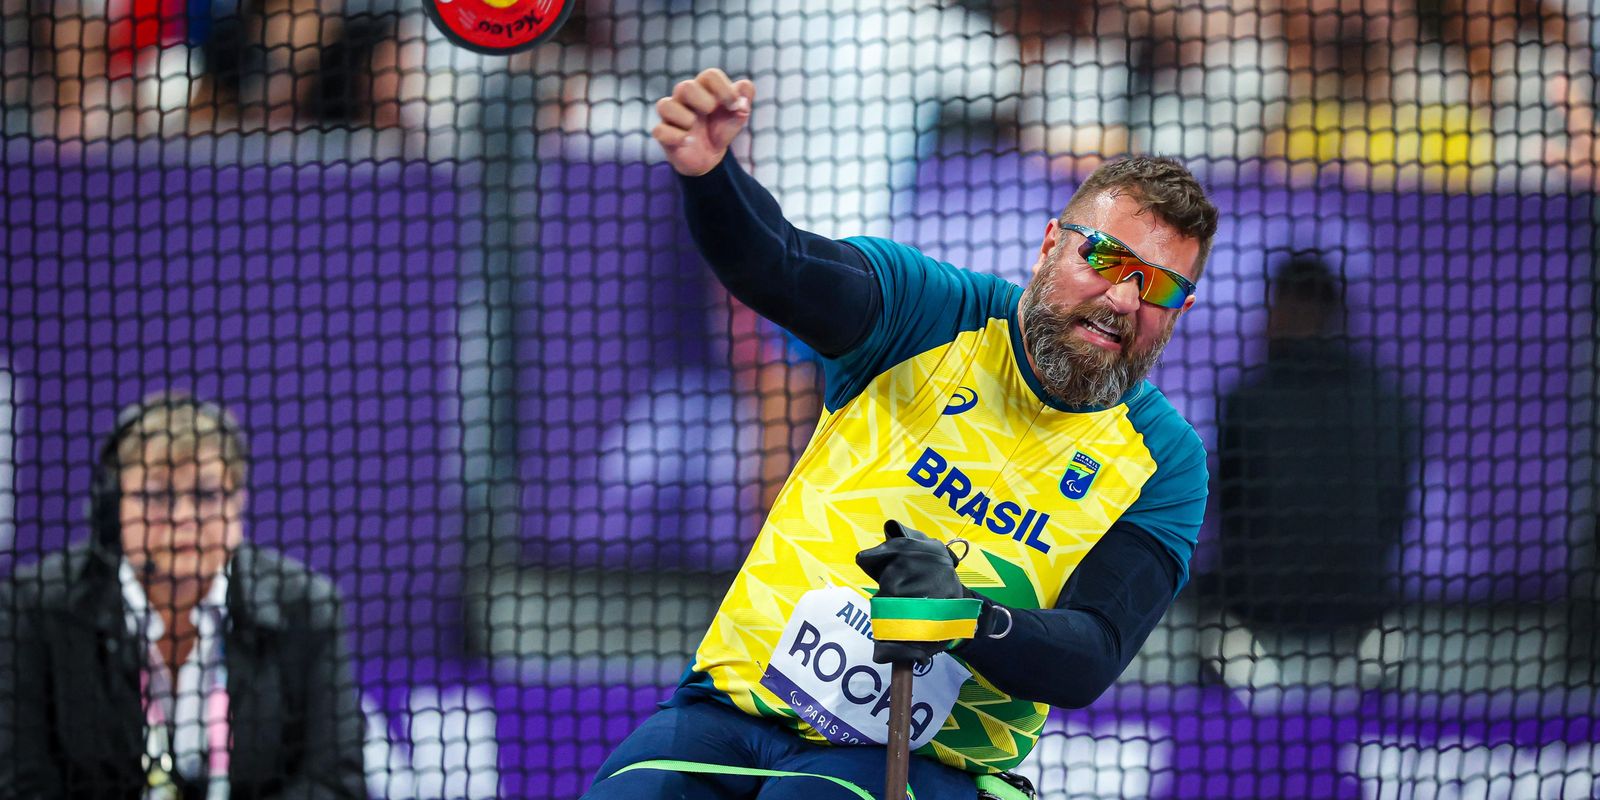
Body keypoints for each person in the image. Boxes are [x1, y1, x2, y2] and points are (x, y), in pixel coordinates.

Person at [582, 68, 1218, 799]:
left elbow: (1092, 653)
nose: (1122, 298)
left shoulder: (1164, 459)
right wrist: (711, 176)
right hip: (734, 710)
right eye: (1104, 259)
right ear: (1051, 246)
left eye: (1160, 286)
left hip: (932, 767)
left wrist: (963, 618)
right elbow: (779, 265)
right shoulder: (929, 313)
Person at [0, 391, 366, 799]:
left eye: (207, 496)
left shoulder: (306, 608)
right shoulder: (38, 607)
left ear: (238, 505)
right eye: (157, 497)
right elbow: (20, 783)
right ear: (113, 508)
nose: (183, 518)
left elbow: (335, 782)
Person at [1203, 254, 1415, 689]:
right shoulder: (1385, 397)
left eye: (1274, 305)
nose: (1267, 320)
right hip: (1363, 606)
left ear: (1294, 307)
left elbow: (1231, 507)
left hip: (1256, 609)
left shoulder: (1252, 398)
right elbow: (1397, 503)